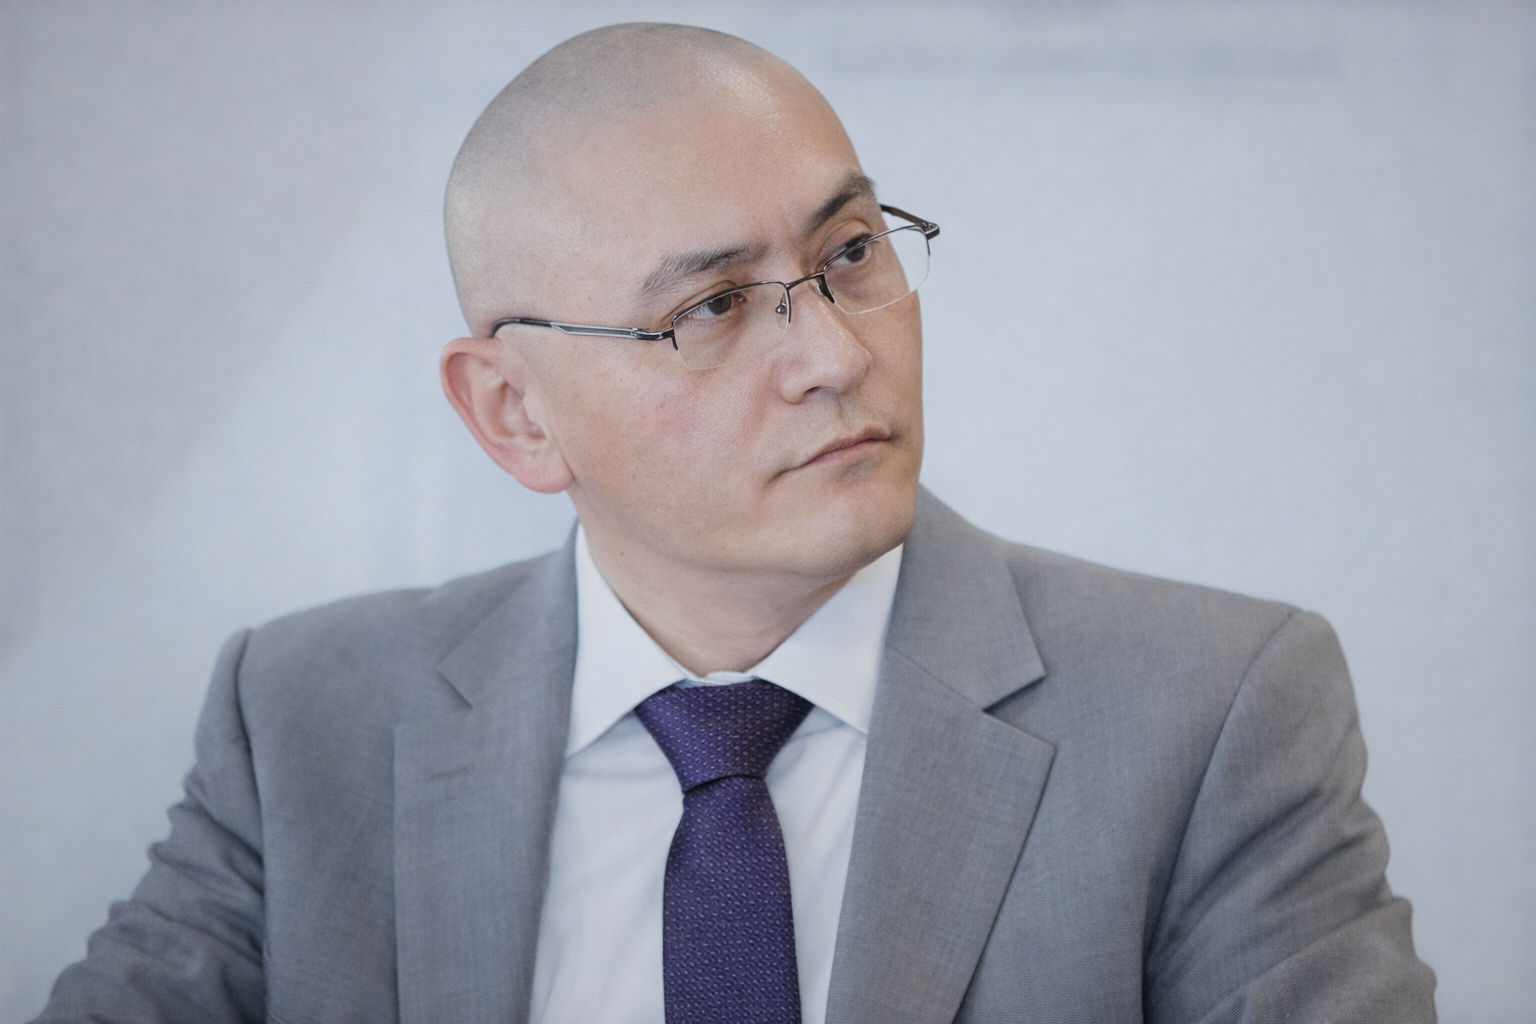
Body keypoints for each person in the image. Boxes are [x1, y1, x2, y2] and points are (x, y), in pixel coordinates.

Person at [33, 22, 1436, 1024]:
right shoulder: (304, 717)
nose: (832, 353)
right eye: (709, 307)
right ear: (516, 413)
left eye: (850, 256)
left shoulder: (1213, 710)